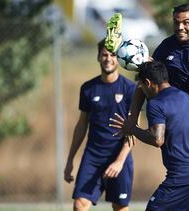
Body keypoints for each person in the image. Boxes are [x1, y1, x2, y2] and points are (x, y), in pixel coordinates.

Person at [106, 3, 189, 152]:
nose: (180, 27)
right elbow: (145, 81)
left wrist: (180, 120)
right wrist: (132, 119)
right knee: (170, 152)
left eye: (186, 23)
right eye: (176, 22)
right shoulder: (166, 46)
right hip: (168, 104)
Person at [110, 61, 189, 210]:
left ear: (148, 83)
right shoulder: (187, 98)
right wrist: (178, 132)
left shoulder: (156, 103)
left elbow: (157, 139)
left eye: (142, 86)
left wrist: (132, 129)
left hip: (182, 176)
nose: (143, 91)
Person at [63, 39, 137, 211]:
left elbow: (134, 131)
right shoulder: (88, 88)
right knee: (79, 204)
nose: (108, 59)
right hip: (93, 157)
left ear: (119, 58)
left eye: (112, 55)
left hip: (120, 157)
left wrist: (119, 161)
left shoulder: (130, 89)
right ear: (98, 57)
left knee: (120, 207)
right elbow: (81, 125)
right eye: (104, 54)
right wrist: (70, 160)